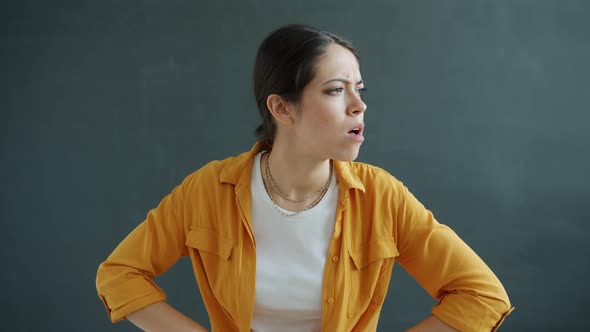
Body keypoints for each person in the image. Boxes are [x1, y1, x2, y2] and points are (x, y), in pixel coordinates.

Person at [96, 24, 514, 332]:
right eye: (335, 90)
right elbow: (120, 274)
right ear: (282, 108)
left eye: (360, 89)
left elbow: (482, 296)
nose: (359, 106)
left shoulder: (381, 196)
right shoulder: (208, 190)